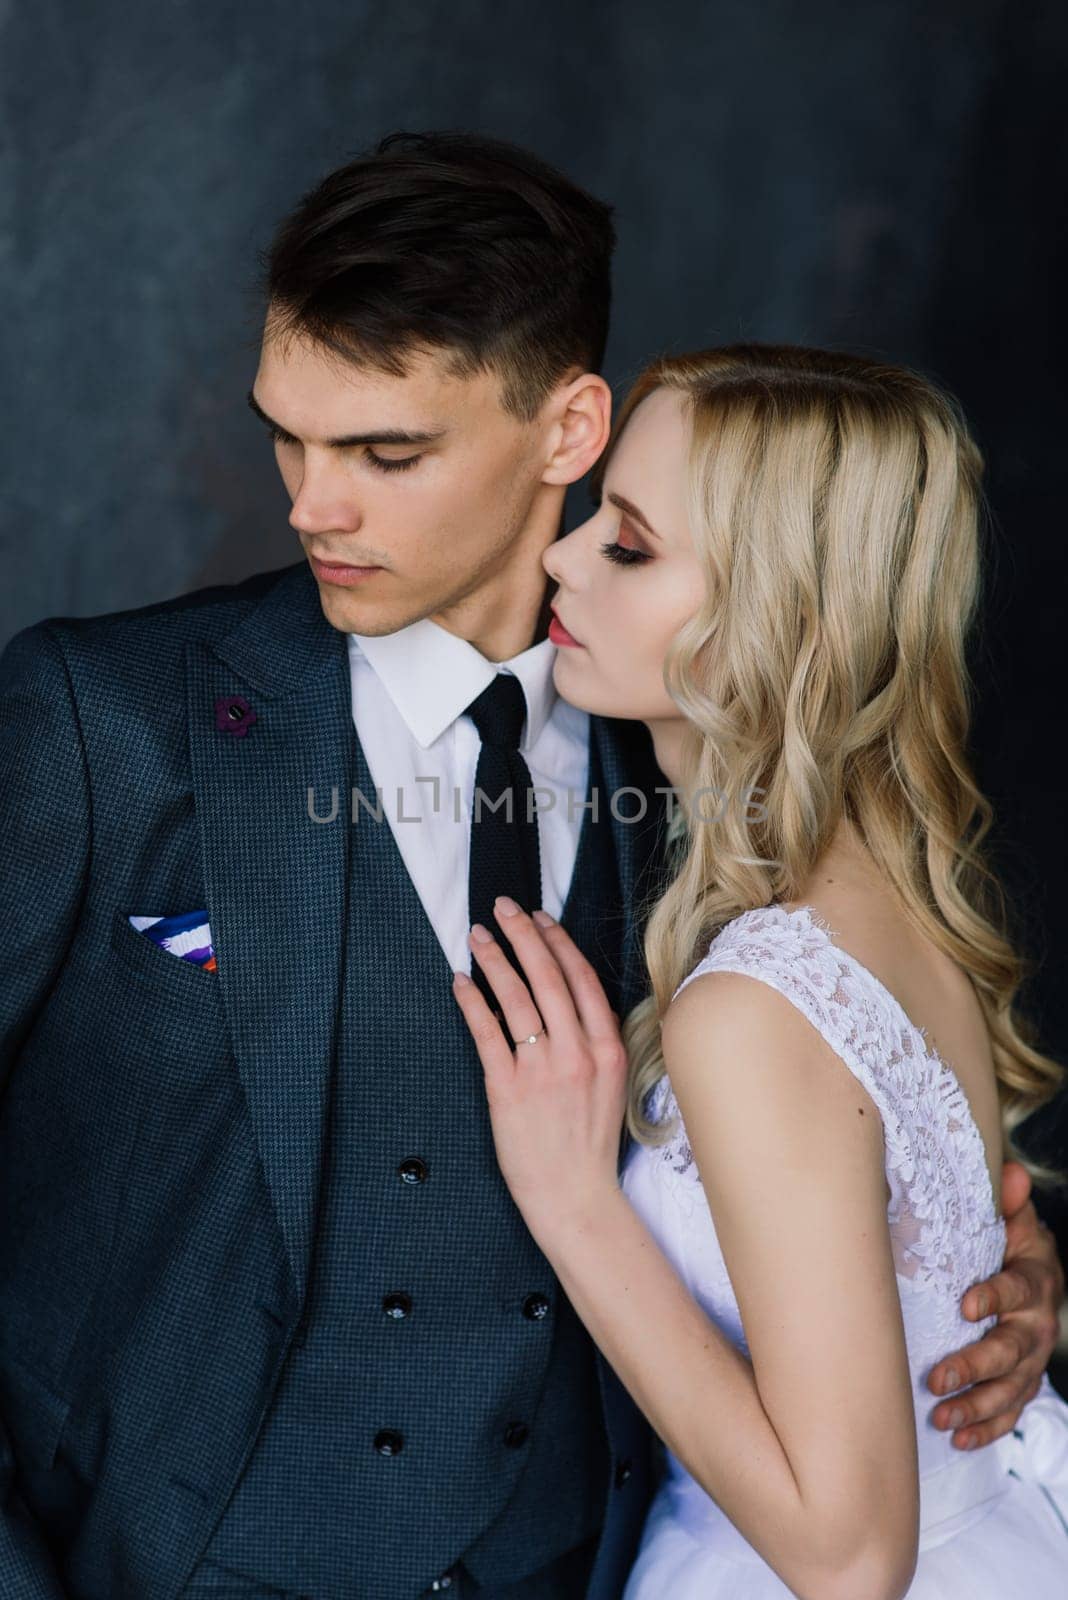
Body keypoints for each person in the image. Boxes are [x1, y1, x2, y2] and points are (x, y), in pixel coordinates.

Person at [0, 133, 1060, 1600]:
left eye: (386, 453)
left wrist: (995, 1294)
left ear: (569, 433)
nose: (313, 506)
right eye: (287, 438)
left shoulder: (711, 784)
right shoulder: (95, 721)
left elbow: (876, 1165)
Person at [451, 342, 1068, 1598]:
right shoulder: (894, 899)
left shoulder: (756, 1004)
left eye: (629, 545)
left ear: (779, 622)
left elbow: (848, 1558)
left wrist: (574, 1201)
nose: (561, 555)